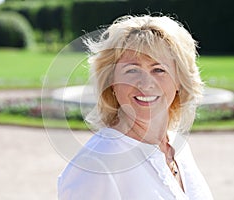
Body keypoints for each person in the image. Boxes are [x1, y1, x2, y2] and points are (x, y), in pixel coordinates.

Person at [58, 14, 213, 200]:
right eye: (132, 70)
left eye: (159, 70)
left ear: (180, 80)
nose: (146, 83)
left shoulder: (178, 147)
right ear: (111, 82)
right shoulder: (97, 166)